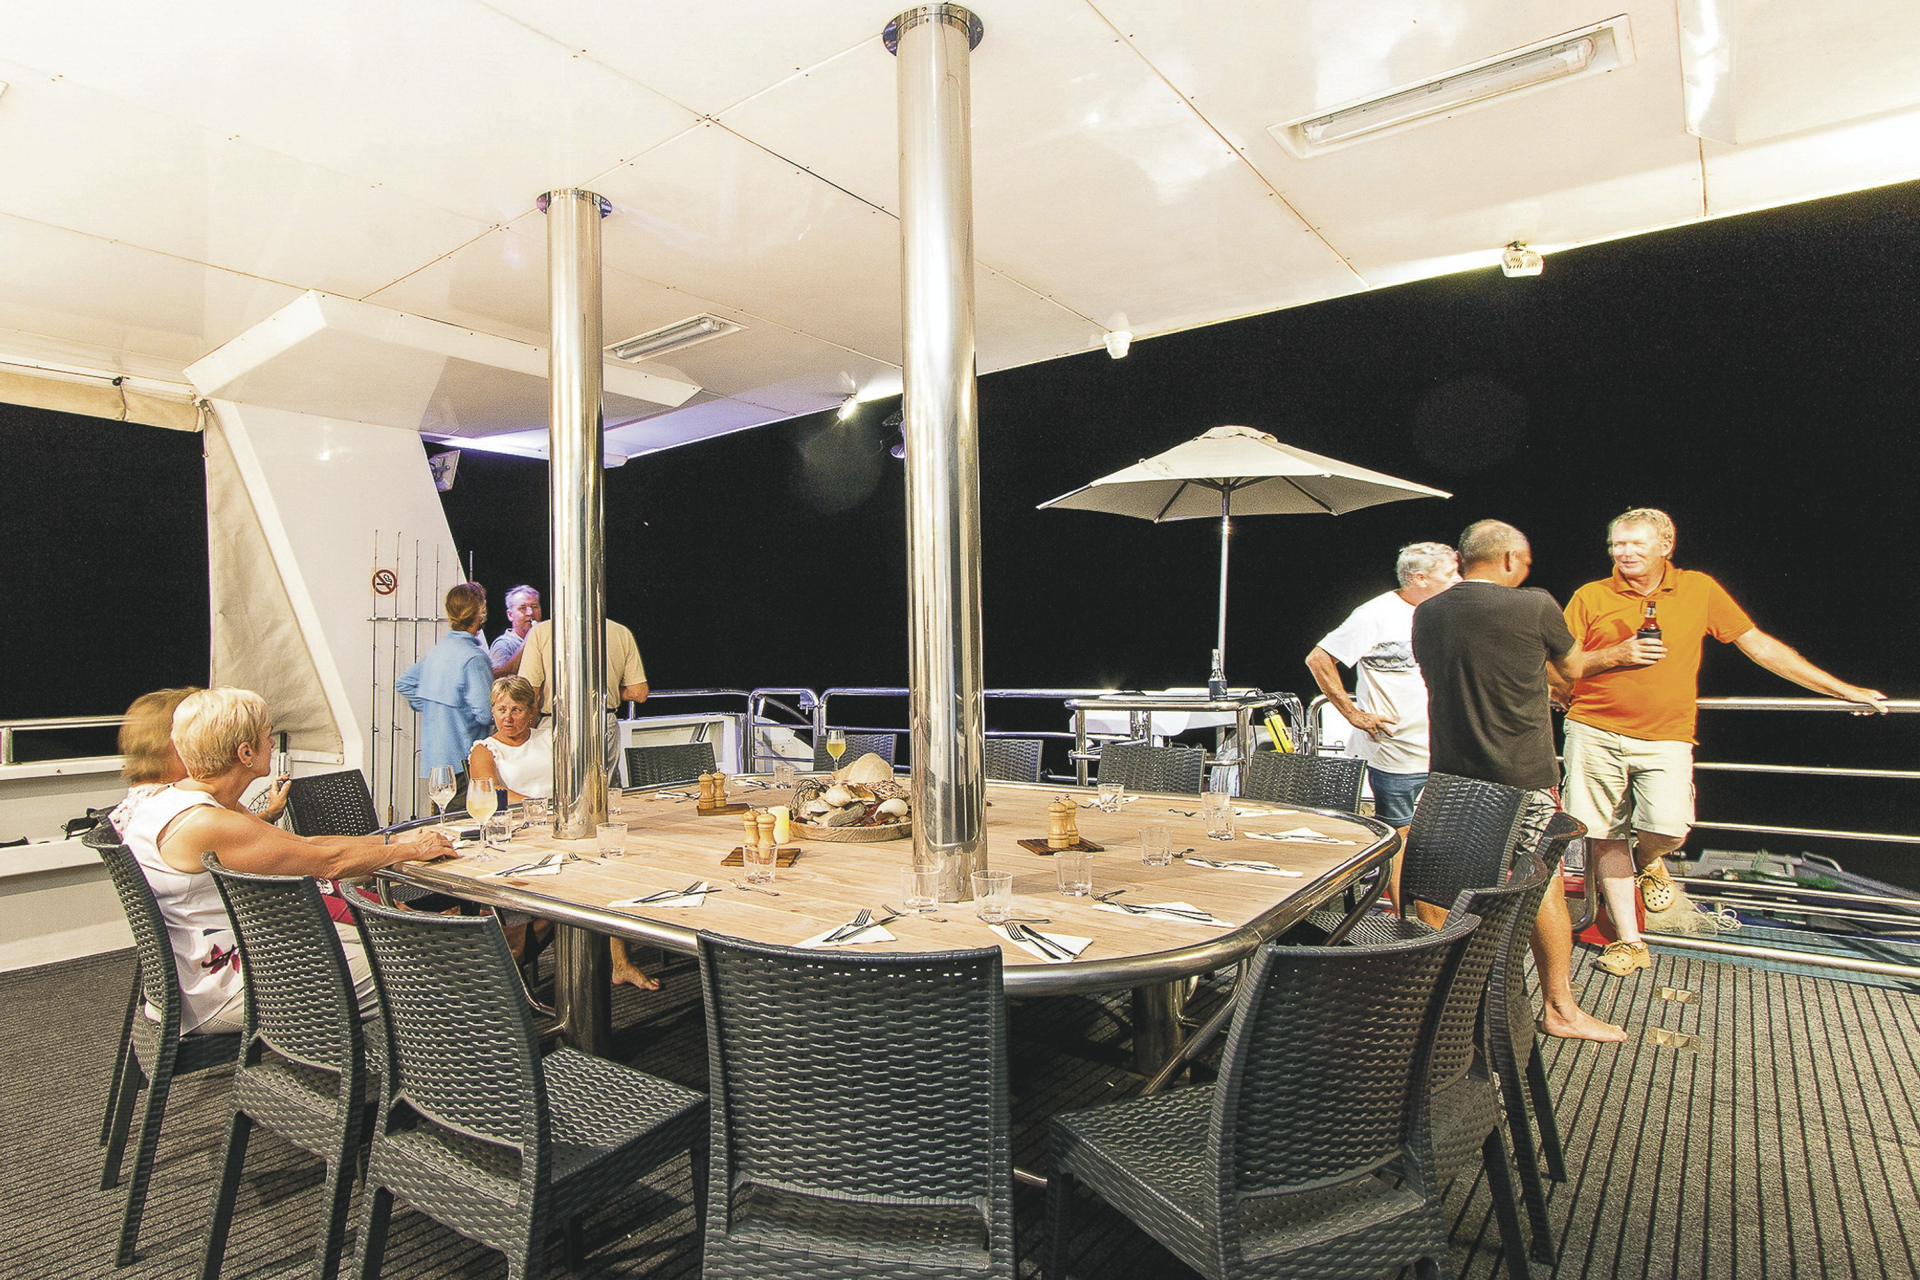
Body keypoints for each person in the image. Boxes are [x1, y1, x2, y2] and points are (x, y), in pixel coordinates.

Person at [1556, 508, 1888, 975]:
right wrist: (1616, 655)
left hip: (1667, 735)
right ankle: (1630, 942)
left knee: (1670, 826)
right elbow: (1560, 667)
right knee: (1603, 836)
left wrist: (1841, 689)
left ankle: (1648, 860)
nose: (1623, 553)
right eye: (1617, 544)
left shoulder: (1699, 589)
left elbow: (1759, 646)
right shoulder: (1590, 595)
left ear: (1665, 546)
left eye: (1635, 544)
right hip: (1594, 730)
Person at [117, 688, 450, 1034]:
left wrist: (394, 841)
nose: (273, 744)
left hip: (218, 962)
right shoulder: (208, 822)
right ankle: (434, 1060)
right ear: (245, 753)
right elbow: (327, 864)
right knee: (423, 968)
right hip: (218, 991)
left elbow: (303, 845)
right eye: (267, 736)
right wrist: (408, 851)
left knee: (397, 939)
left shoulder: (183, 799)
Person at [1412, 519, 1627, 1043]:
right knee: (1541, 879)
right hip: (1521, 773)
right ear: (1509, 559)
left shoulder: (1428, 611)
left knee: (1442, 881)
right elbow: (1572, 668)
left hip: (1451, 775)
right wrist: (1620, 655)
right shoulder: (1534, 606)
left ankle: (1435, 1003)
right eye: (1525, 561)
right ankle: (1560, 1008)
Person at [467, 676, 659, 991]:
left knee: (613, 861)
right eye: (501, 709)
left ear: (531, 711)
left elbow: (578, 775)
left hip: (563, 823)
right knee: (594, 868)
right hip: (522, 834)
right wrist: (544, 806)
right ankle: (581, 939)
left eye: (516, 710)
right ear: (492, 711)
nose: (508, 718)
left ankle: (616, 960)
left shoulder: (549, 739)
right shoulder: (485, 750)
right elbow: (492, 793)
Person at [1305, 541, 1460, 848]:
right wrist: (1353, 714)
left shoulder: (1451, 611)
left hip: (1448, 751)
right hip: (1398, 752)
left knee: (1447, 837)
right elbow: (1319, 659)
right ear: (1420, 578)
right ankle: (1400, 885)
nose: (1459, 580)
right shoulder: (1376, 614)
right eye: (1450, 573)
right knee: (1397, 834)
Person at [396, 582, 494, 807]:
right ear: (480, 612)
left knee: (445, 822)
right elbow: (487, 714)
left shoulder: (438, 651)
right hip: (464, 766)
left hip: (434, 765)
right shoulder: (474, 658)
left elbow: (404, 683)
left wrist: (437, 706)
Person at [516, 616, 649, 774]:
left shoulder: (542, 631)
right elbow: (638, 693)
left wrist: (527, 735)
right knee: (603, 786)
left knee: (553, 783)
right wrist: (599, 692)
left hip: (556, 722)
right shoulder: (620, 632)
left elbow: (530, 692)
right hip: (603, 723)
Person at [489, 585, 542, 677]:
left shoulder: (545, 639)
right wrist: (529, 640)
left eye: (534, 607)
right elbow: (497, 676)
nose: (530, 612)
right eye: (522, 608)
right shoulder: (503, 644)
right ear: (510, 615)